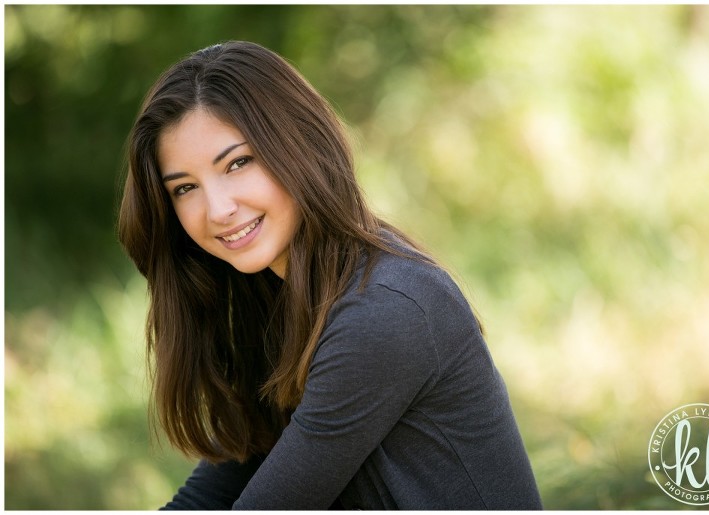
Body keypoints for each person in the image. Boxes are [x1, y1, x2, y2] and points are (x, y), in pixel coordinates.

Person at [118, 40, 542, 510]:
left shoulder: (384, 310)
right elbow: (212, 495)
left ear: (298, 145)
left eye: (238, 163)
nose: (218, 210)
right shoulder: (279, 297)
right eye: (185, 188)